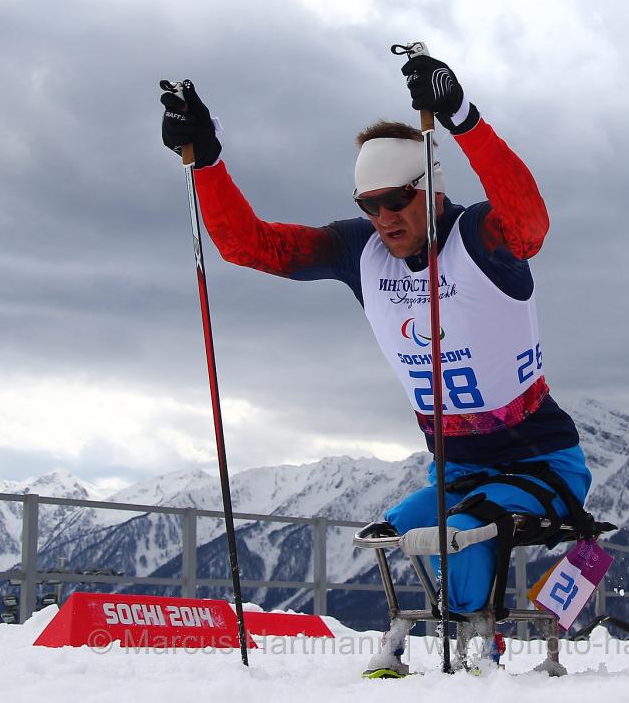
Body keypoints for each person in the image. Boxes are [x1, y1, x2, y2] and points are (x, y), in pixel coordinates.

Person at [160, 53, 592, 675]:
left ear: (430, 188)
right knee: (393, 533)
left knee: (461, 530)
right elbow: (246, 245)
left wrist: (464, 118)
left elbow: (531, 221)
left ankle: (479, 658)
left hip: (544, 462)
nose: (384, 218)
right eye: (369, 205)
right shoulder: (360, 252)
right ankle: (427, 641)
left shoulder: (482, 240)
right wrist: (206, 159)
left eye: (396, 200)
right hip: (460, 470)